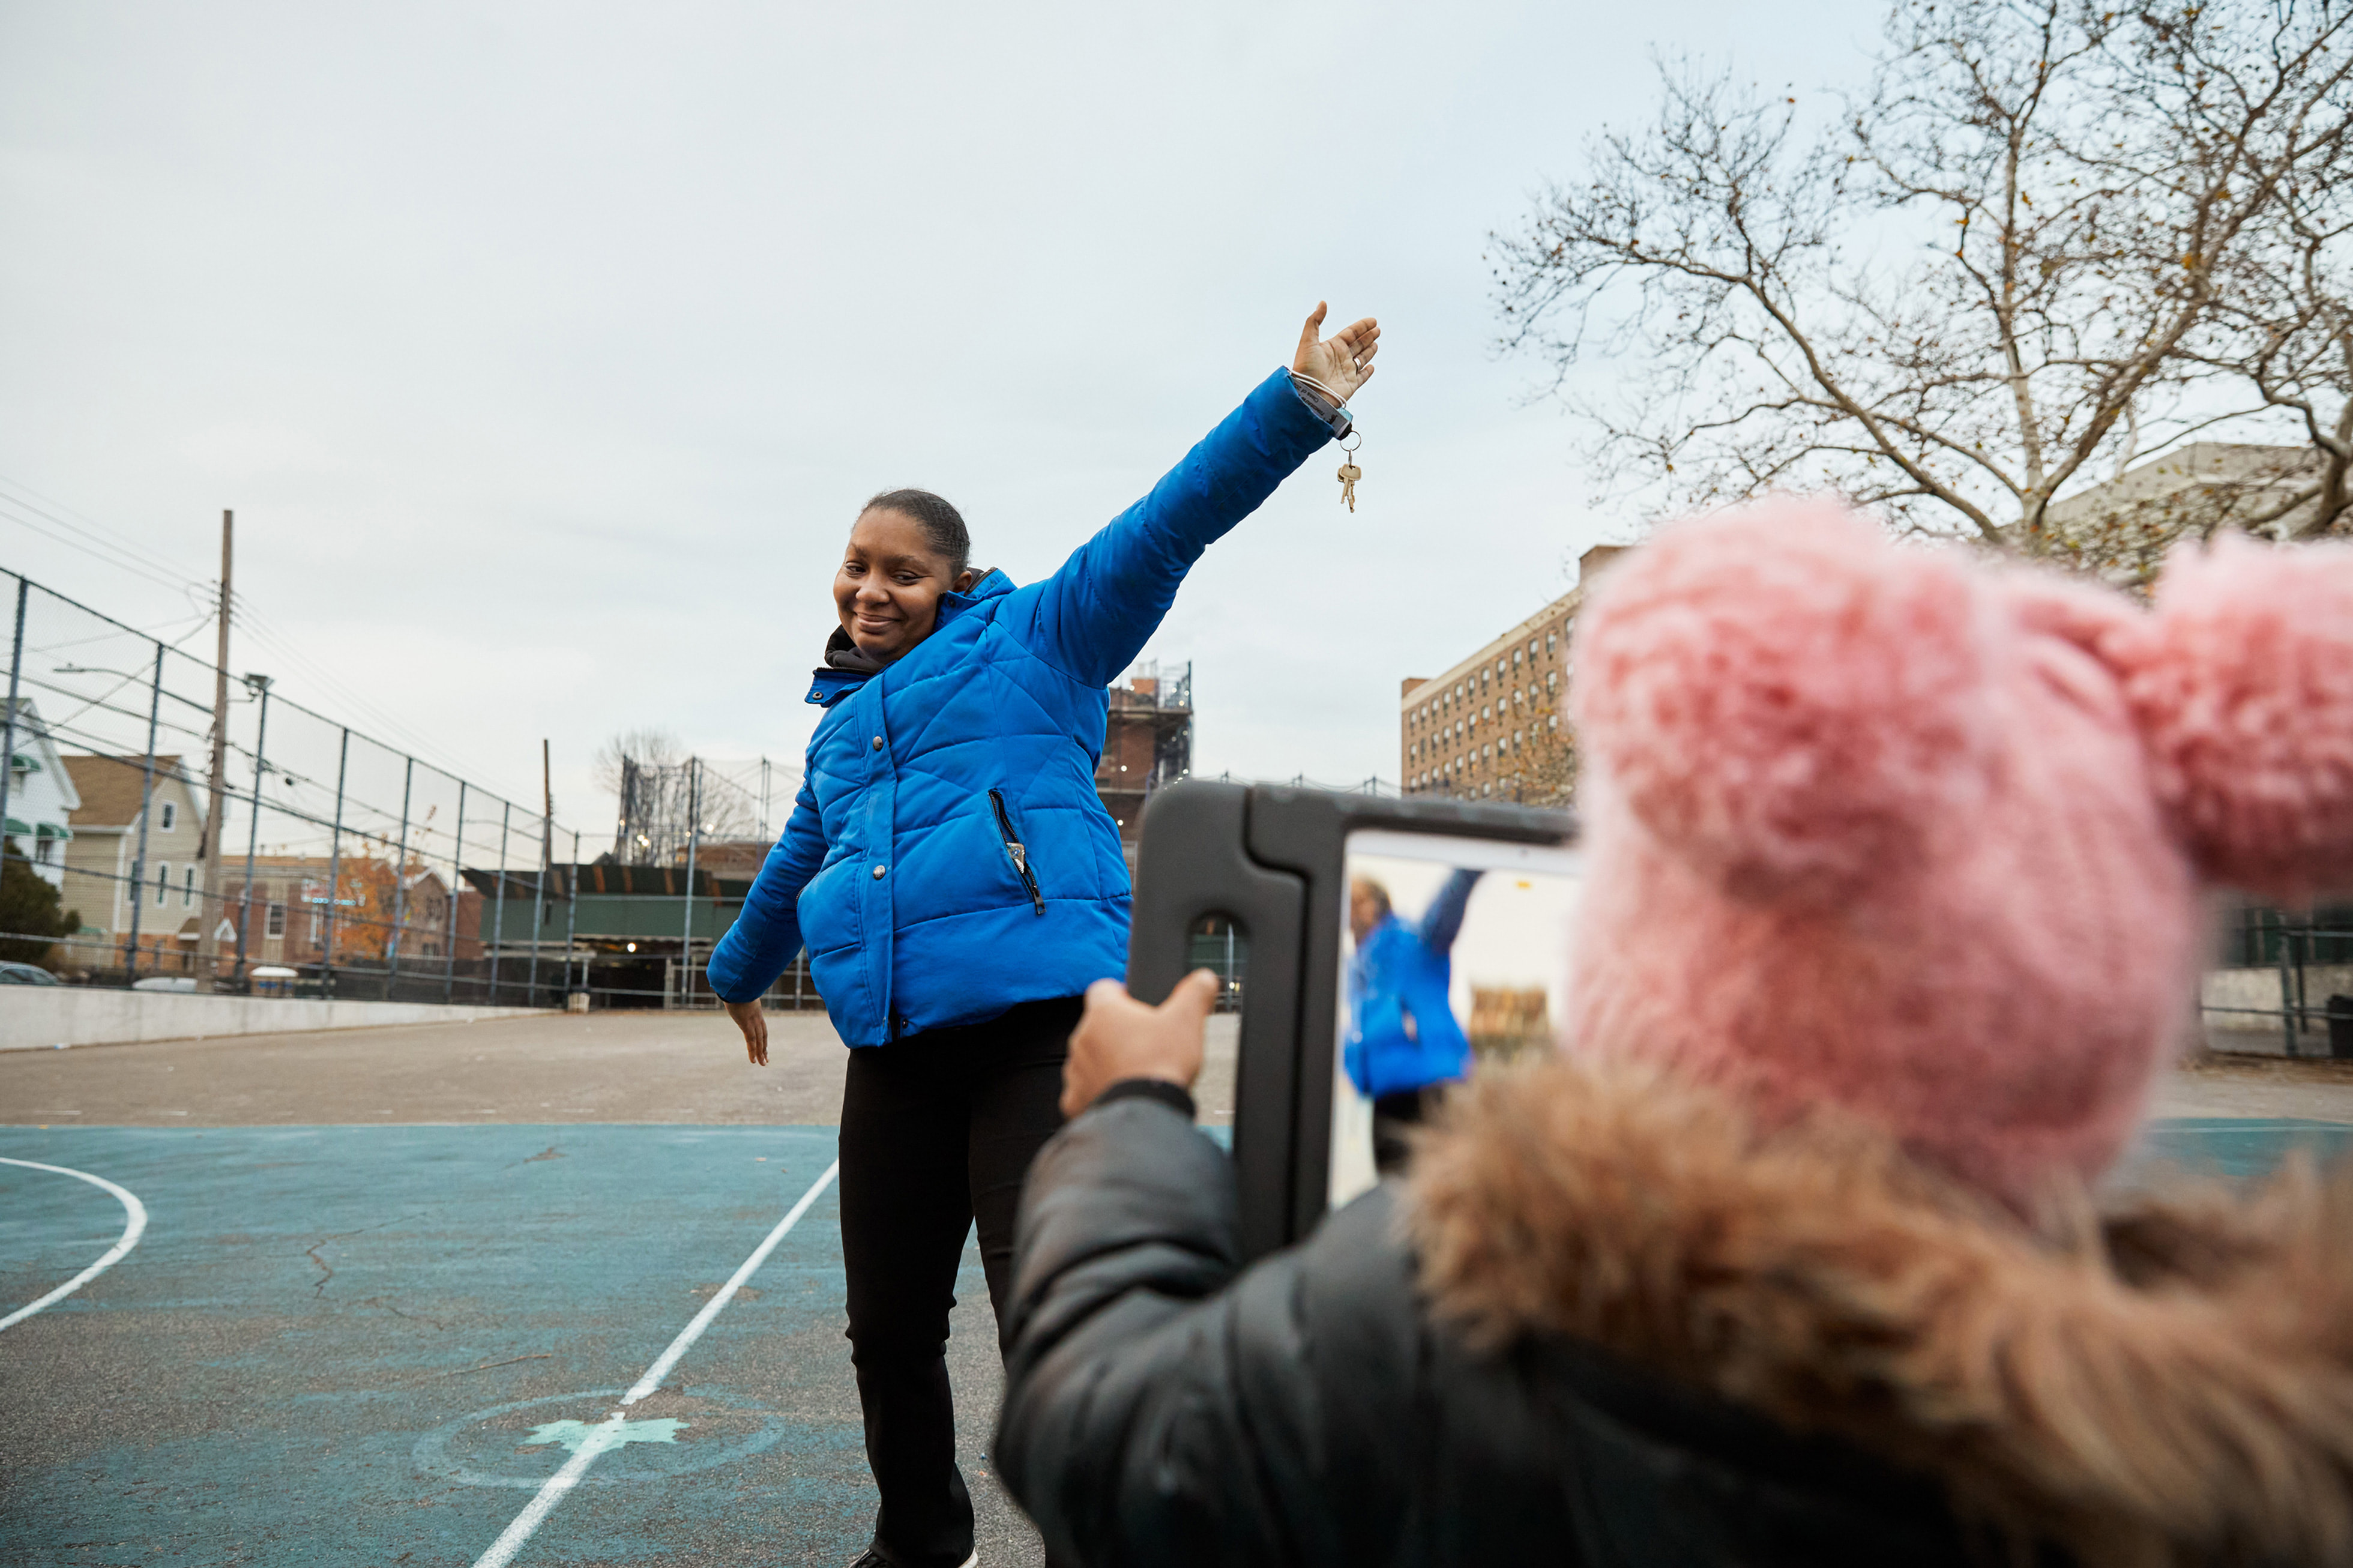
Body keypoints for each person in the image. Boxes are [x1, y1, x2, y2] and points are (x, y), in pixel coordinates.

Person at [992, 501, 2353, 1568]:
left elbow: (1106, 1442)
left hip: (1399, 1103)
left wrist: (1128, 1126)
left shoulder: (1449, 1333)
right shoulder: (2238, 1468)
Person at [707, 304, 1379, 1568]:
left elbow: (1165, 523)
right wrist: (735, 971)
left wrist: (1294, 405)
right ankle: (918, 1538)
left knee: (1055, 1319)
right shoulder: (837, 731)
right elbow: (803, 851)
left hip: (1040, 1034)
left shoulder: (1040, 640)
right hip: (895, 1043)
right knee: (887, 1326)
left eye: (901, 571)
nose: (869, 588)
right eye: (856, 564)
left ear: (952, 586)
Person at [1345, 869, 1480, 1171]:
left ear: (1377, 904)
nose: (1350, 910)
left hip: (1432, 1085)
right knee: (1395, 1189)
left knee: (1436, 1184)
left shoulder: (1414, 941)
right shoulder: (1358, 967)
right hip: (1386, 1091)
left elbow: (1446, 909)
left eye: (1358, 900)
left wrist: (1470, 868)